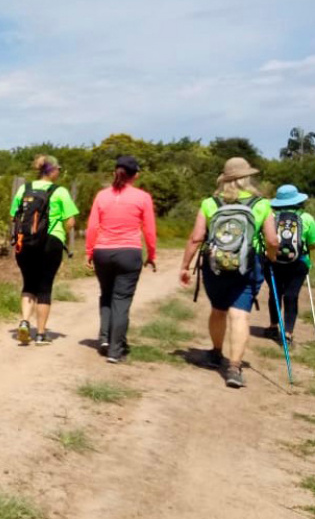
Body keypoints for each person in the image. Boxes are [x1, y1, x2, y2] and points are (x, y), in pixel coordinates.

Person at [179, 157, 278, 388]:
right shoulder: (262, 204)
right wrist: (271, 257)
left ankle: (215, 353)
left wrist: (185, 266)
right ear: (247, 178)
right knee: (239, 314)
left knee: (218, 310)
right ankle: (234, 367)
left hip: (214, 265)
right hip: (247, 264)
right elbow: (272, 239)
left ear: (224, 179)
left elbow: (196, 238)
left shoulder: (210, 203)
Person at [85, 155, 157, 363]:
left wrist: (89, 252)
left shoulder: (101, 196)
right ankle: (116, 350)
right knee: (121, 300)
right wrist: (151, 254)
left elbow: (92, 227)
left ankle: (105, 339)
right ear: (136, 175)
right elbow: (149, 230)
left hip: (103, 252)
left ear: (115, 173)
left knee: (106, 295)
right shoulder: (142, 197)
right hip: (129, 252)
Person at [10, 155, 79, 345]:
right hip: (51, 241)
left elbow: (14, 216)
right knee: (44, 287)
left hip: (25, 242)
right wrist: (60, 233)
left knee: (28, 284)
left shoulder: (24, 189)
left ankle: (25, 321)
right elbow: (70, 221)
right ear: (52, 170)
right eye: (58, 169)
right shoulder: (60, 191)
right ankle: (40, 334)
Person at [263, 185, 315, 346]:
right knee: (292, 296)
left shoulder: (270, 217)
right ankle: (288, 333)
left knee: (275, 294)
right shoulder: (307, 218)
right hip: (299, 264)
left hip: (273, 261)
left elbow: (266, 240)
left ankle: (273, 327)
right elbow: (312, 244)